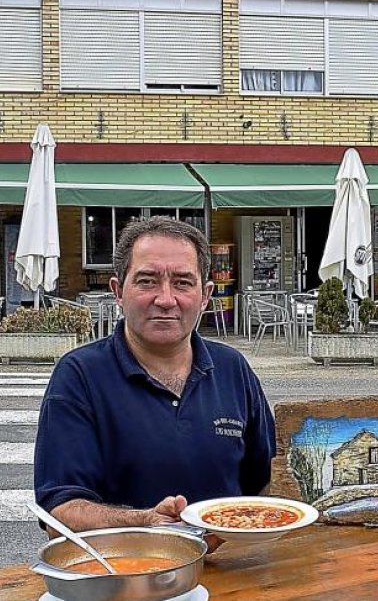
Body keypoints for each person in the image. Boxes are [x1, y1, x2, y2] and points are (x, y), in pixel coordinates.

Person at [34, 217, 276, 537]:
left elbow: (267, 481)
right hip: (124, 577)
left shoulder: (233, 368)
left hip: (230, 574)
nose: (165, 299)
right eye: (147, 281)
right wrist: (146, 521)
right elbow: (60, 513)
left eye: (182, 282)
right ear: (118, 291)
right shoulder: (80, 376)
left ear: (205, 295)